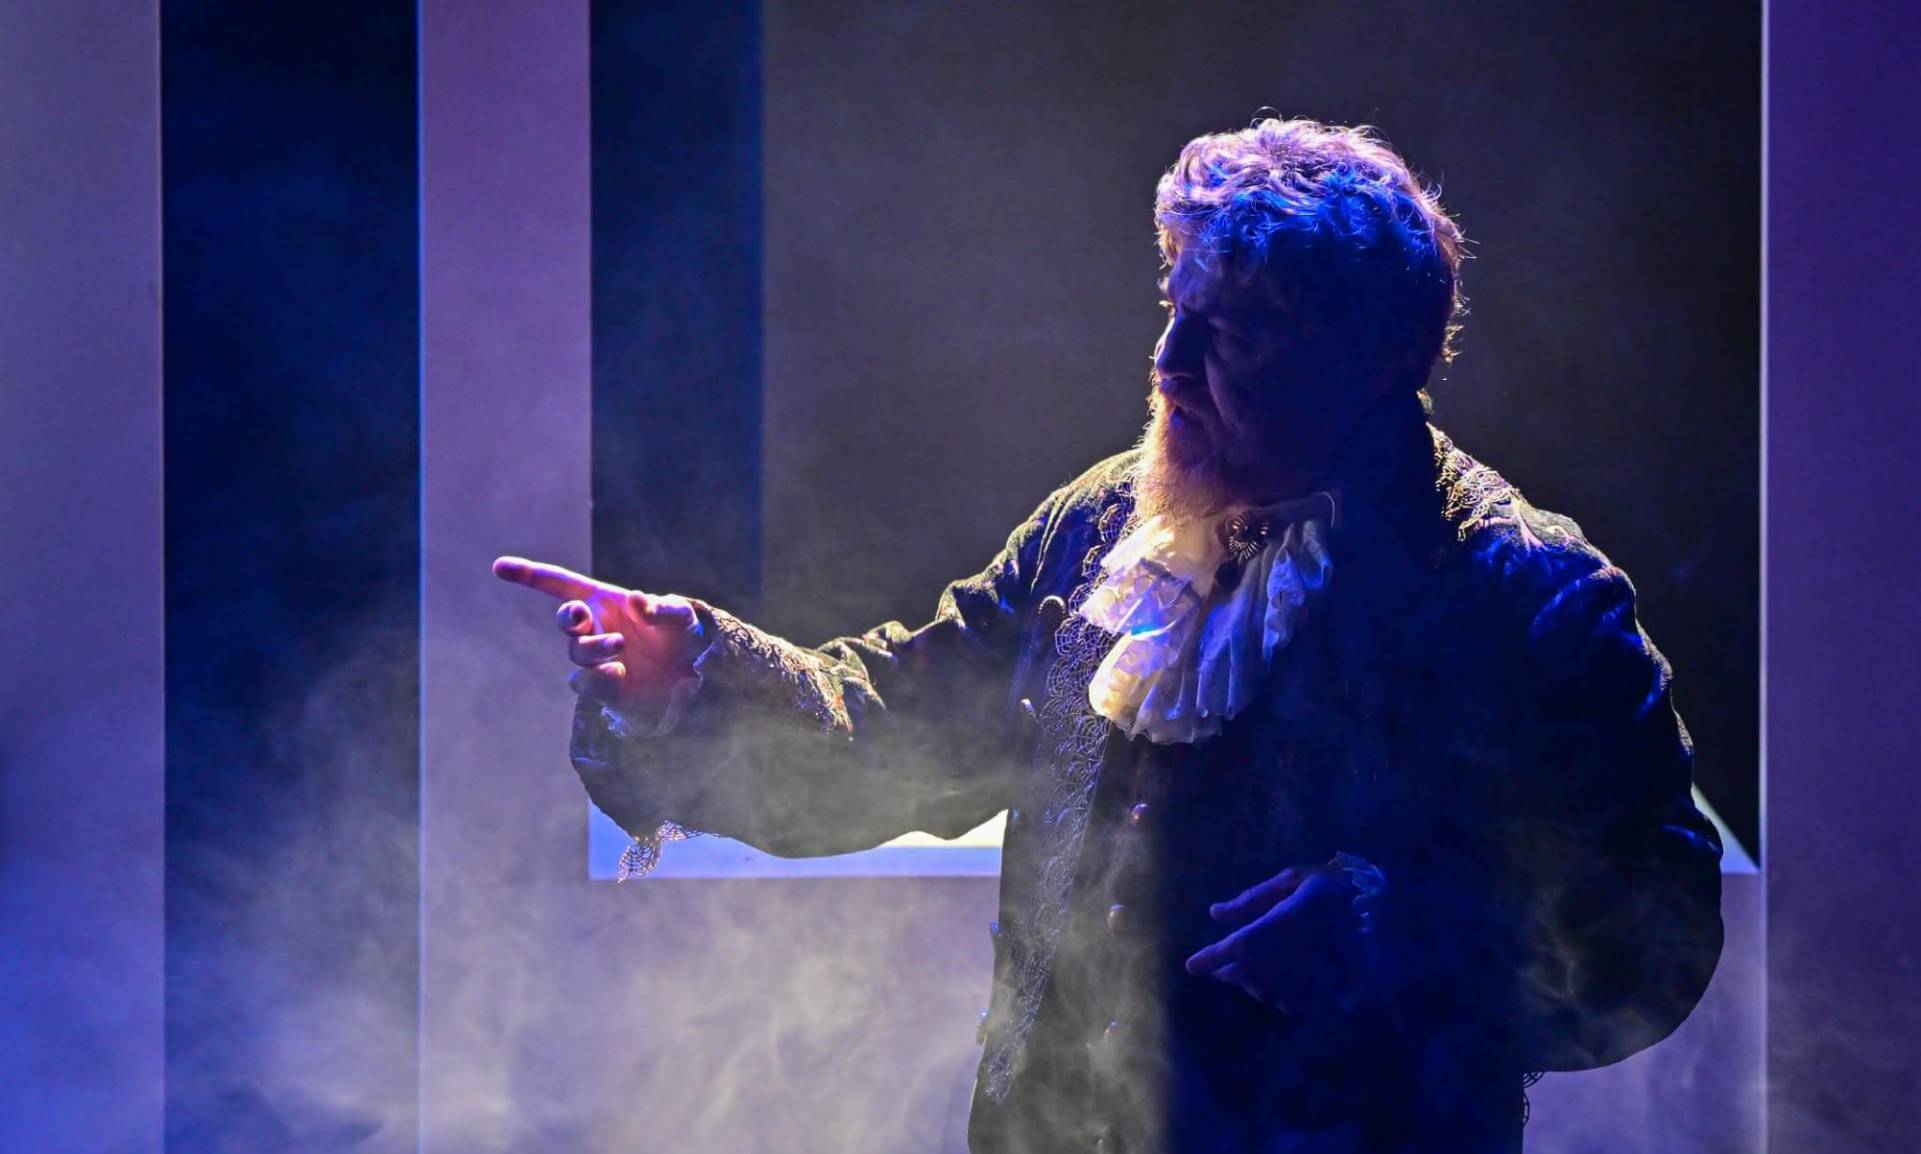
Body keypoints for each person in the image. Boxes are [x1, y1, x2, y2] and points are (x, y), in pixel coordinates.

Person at [494, 117, 1724, 1154]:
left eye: (1235, 330)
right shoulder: (1098, 528)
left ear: (1374, 358)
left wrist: (1402, 935)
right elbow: (902, 728)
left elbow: (1655, 930)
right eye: (1174, 307)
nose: (1169, 361)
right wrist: (695, 681)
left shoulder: (1524, 597)